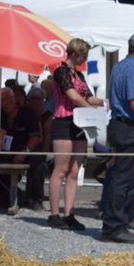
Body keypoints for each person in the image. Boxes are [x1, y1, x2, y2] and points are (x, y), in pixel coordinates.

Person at [101, 32, 134, 243]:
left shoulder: (120, 66)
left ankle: (116, 223)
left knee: (120, 177)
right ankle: (114, 226)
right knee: (124, 179)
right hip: (129, 128)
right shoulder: (133, 70)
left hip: (120, 125)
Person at [46, 39, 104, 230]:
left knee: (74, 171)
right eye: (84, 55)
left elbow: (87, 96)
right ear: (75, 53)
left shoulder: (79, 74)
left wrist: (103, 101)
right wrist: (90, 109)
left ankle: (68, 213)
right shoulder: (61, 71)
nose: (85, 59)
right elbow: (72, 96)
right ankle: (54, 213)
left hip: (80, 122)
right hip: (63, 121)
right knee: (60, 169)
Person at [0, 86, 46, 211]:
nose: (6, 103)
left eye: (8, 99)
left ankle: (36, 199)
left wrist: (25, 152)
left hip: (27, 148)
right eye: (2, 100)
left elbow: (36, 136)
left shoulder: (28, 113)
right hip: (7, 150)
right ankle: (1, 195)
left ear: (14, 99)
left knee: (38, 162)